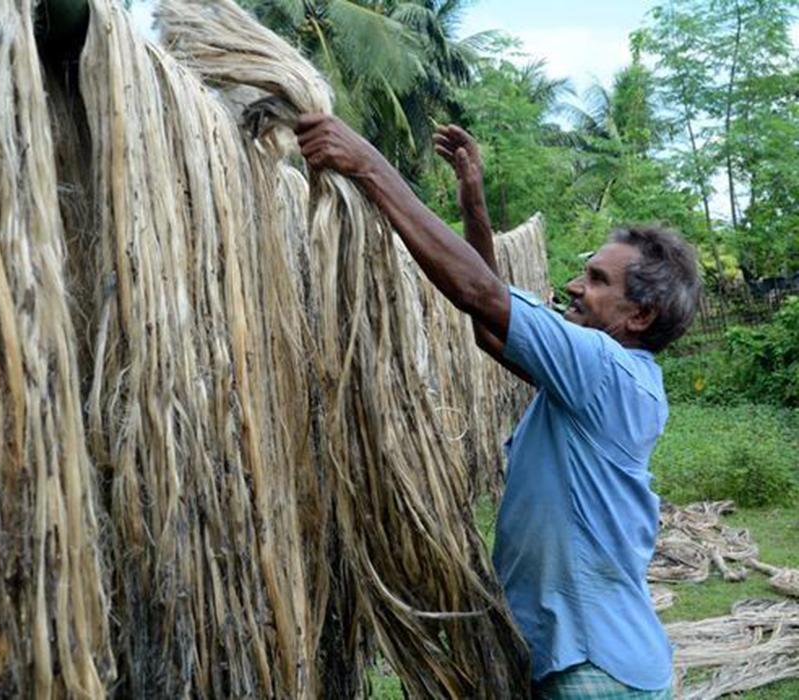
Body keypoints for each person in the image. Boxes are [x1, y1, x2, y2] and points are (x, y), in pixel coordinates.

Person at [295, 113, 701, 698]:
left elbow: (481, 294)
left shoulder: (605, 370)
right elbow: (490, 326)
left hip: (598, 674)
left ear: (639, 316)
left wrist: (366, 163)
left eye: (596, 279)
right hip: (580, 662)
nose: (573, 286)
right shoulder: (598, 381)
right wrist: (474, 204)